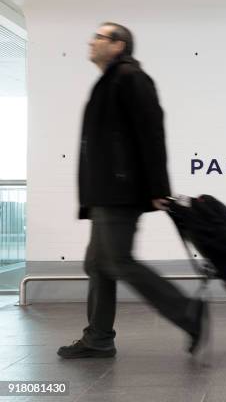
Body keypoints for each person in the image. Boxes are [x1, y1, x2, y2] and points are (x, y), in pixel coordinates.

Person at [57, 22, 207, 359]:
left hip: (120, 190)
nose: (91, 41)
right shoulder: (110, 81)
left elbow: (152, 133)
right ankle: (97, 338)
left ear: (118, 45)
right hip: (105, 192)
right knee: (98, 264)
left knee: (118, 261)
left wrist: (158, 187)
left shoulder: (131, 78)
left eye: (99, 37)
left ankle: (188, 312)